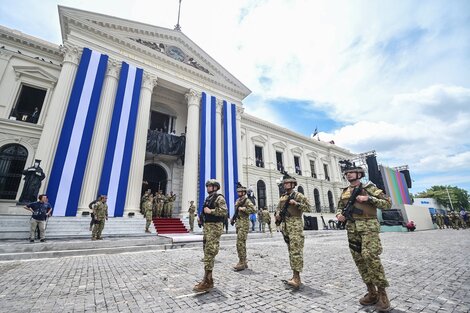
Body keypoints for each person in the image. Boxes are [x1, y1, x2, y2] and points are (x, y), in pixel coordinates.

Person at [336, 163, 392, 312]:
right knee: (359, 259)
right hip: (352, 228)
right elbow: (339, 208)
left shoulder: (369, 188)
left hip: (368, 227)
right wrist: (339, 215)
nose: (348, 175)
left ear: (359, 174)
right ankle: (371, 292)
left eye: (352, 172)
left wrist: (369, 199)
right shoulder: (344, 192)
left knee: (370, 257)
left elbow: (387, 203)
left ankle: (383, 294)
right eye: (347, 173)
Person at [275, 173, 311, 289]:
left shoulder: (298, 195)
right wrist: (277, 216)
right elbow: (277, 209)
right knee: (291, 251)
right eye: (284, 183)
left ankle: (297, 277)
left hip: (295, 225)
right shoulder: (283, 197)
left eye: (288, 183)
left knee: (296, 251)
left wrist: (297, 204)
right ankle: (294, 275)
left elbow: (309, 207)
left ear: (293, 184)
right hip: (285, 226)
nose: (285, 185)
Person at [193, 179, 227, 292]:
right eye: (207, 186)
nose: (207, 187)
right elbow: (205, 211)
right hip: (207, 227)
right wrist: (201, 219)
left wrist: (211, 212)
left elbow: (224, 211)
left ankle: (206, 281)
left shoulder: (219, 198)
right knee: (206, 251)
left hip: (214, 228)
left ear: (215, 187)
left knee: (209, 252)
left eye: (210, 186)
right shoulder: (208, 198)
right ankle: (209, 279)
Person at [230, 182, 256, 271]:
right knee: (241, 243)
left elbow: (253, 209)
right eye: (238, 192)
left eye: (240, 192)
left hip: (244, 224)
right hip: (238, 223)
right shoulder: (238, 200)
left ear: (244, 192)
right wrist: (233, 218)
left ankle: (241, 262)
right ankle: (243, 261)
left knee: (239, 243)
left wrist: (244, 209)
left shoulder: (247, 200)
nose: (238, 193)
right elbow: (237, 211)